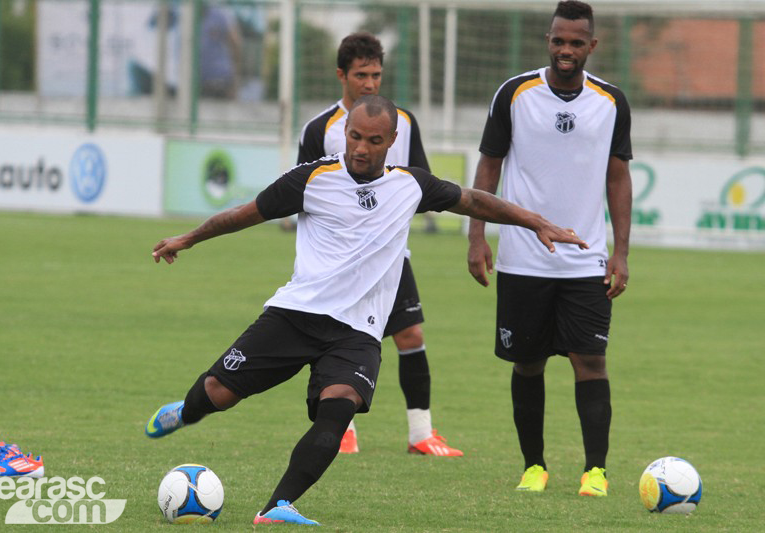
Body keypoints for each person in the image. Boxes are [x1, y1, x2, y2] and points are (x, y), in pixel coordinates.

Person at [146, 95, 587, 526]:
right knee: (218, 394)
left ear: (391, 140)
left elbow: (473, 200)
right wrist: (188, 238)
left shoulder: (410, 185)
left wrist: (537, 222)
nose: (361, 148)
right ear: (345, 131)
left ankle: (277, 507)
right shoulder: (312, 178)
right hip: (295, 315)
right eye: (355, 136)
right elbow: (247, 213)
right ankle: (186, 412)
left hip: (357, 333)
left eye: (374, 140)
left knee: (339, 409)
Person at [467, 0, 632, 497]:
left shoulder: (611, 101)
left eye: (576, 42)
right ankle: (533, 467)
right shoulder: (514, 94)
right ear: (548, 40)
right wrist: (476, 237)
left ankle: (595, 472)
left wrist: (621, 252)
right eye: (558, 40)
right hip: (523, 258)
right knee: (528, 362)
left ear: (591, 46)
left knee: (591, 361)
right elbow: (489, 167)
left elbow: (618, 178)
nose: (566, 49)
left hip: (586, 260)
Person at [295, 31, 454, 456]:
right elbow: (303, 195)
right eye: (361, 75)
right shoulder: (319, 129)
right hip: (337, 262)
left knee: (411, 335)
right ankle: (342, 428)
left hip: (391, 257)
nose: (369, 83)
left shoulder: (403, 122)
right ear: (341, 75)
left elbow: (422, 185)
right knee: (333, 338)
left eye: (376, 75)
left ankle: (421, 434)